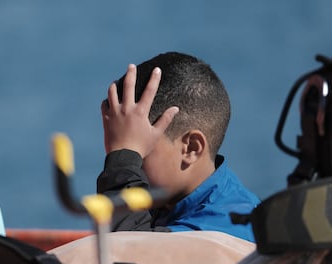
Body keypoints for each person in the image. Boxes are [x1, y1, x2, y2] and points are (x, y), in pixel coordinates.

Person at [97, 51, 260, 242]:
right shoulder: (169, 203)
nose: (132, 169)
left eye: (138, 154)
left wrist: (122, 164)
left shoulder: (219, 231)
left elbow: (127, 257)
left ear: (191, 148)